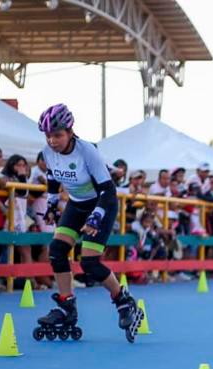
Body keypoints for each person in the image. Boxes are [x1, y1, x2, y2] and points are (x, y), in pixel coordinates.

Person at [34, 103, 143, 342]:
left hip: (101, 203)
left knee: (90, 263)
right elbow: (53, 177)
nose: (52, 140)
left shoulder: (87, 151)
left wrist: (96, 216)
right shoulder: (48, 151)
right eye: (48, 135)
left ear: (70, 131)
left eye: (58, 135)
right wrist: (52, 204)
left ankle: (123, 302)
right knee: (57, 250)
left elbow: (108, 190)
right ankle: (66, 306)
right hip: (76, 204)